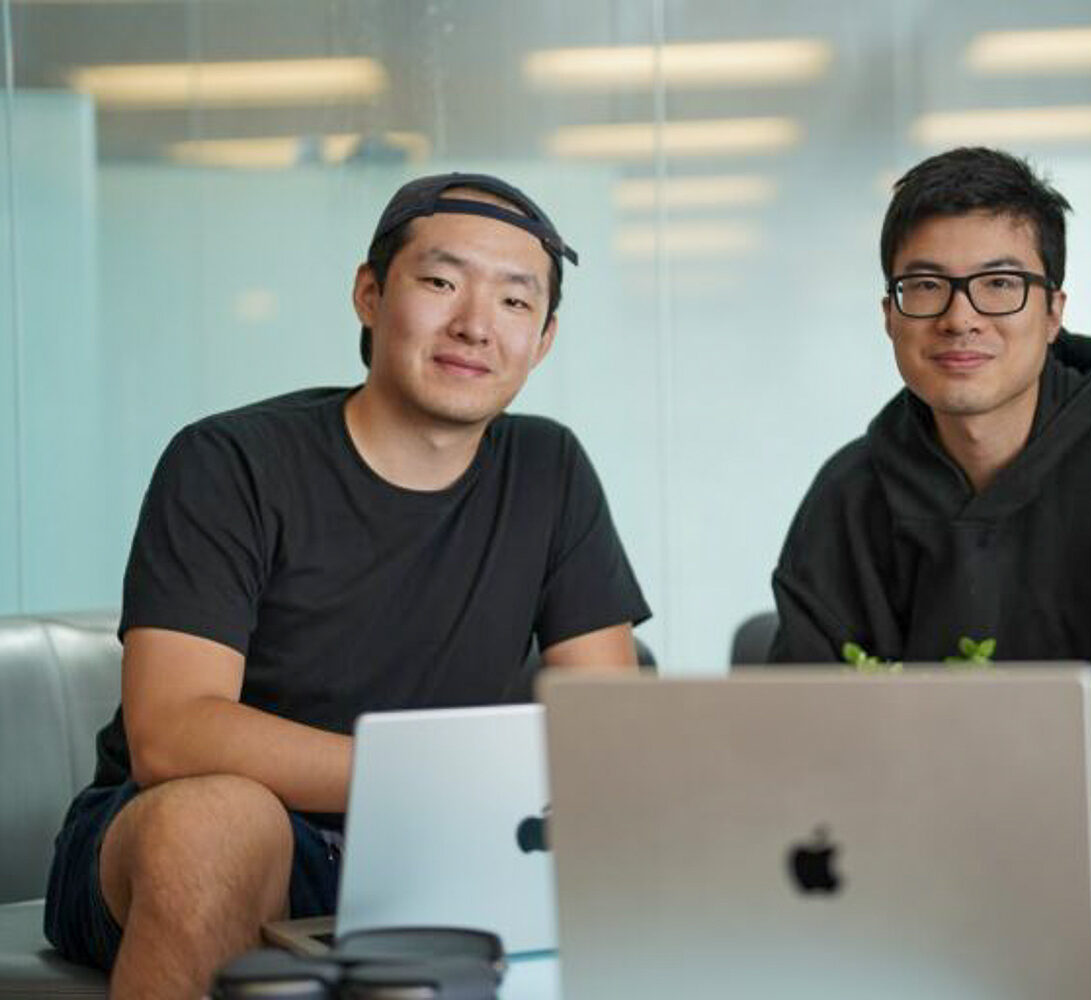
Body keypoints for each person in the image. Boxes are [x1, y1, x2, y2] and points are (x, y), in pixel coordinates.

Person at [44, 172, 650, 998]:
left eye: (515, 302)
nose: (475, 325)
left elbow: (605, 730)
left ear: (542, 340)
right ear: (369, 294)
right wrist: (432, 781)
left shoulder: (550, 470)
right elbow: (172, 734)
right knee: (222, 822)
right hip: (180, 836)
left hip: (438, 848)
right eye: (440, 282)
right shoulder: (231, 462)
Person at [769, 147, 1091, 958]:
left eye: (1000, 284)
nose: (960, 317)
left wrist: (1007, 780)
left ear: (1054, 310)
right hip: (906, 822)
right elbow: (801, 726)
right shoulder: (847, 497)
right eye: (925, 286)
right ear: (889, 314)